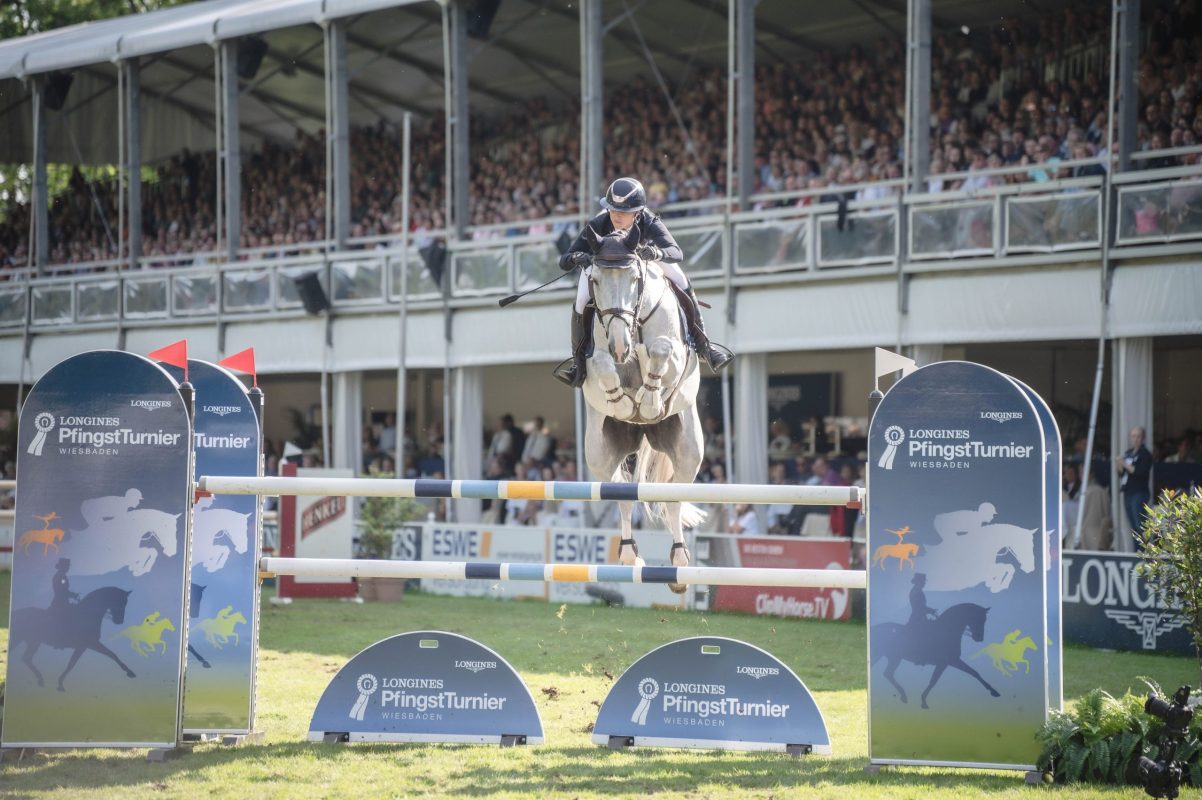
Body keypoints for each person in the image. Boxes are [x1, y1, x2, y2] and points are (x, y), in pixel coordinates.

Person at [552, 177, 733, 387]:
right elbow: (564, 260)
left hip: (641, 264)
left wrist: (656, 252)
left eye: (623, 211)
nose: (616, 215)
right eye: (612, 209)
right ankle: (579, 362)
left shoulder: (649, 220)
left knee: (681, 279)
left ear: (637, 212)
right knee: (581, 300)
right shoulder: (599, 223)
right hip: (604, 269)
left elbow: (676, 252)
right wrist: (576, 258)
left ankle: (704, 346)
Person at [1115, 425, 1153, 537]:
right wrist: (1119, 465)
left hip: (1139, 493)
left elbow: (1140, 472)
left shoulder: (1145, 454)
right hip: (1128, 492)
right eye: (1133, 436)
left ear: (1143, 439)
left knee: (1139, 524)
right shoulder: (1128, 452)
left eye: (1138, 437)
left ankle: (1144, 551)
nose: (1135, 439)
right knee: (1133, 526)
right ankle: (1136, 552)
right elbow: (1122, 474)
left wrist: (1124, 464)